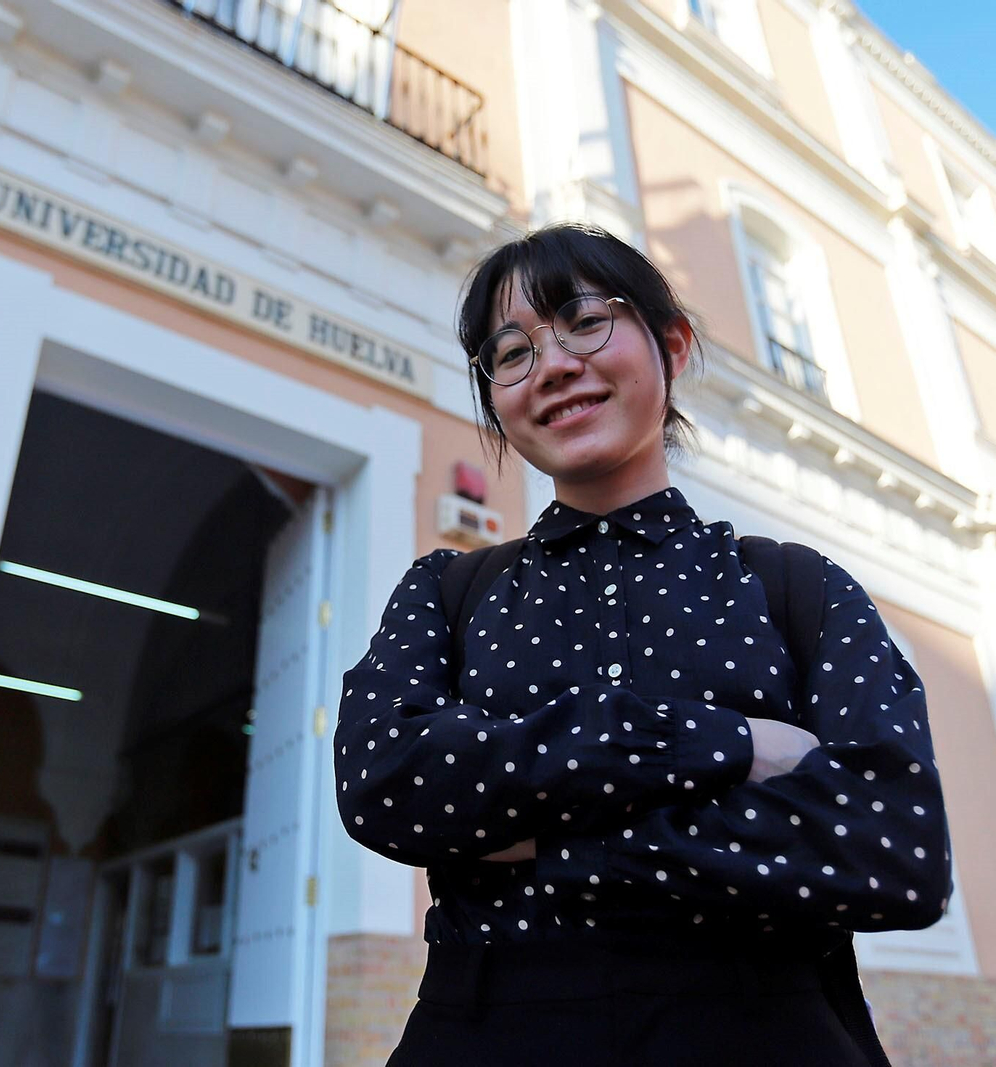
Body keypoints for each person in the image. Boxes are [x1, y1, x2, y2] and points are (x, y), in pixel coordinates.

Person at [333, 223, 952, 1065]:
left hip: (765, 1032)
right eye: (511, 352)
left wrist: (551, 842)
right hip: (485, 1032)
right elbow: (386, 784)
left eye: (585, 320)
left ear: (672, 344)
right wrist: (731, 745)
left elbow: (892, 849)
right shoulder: (448, 592)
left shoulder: (798, 589)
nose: (551, 365)